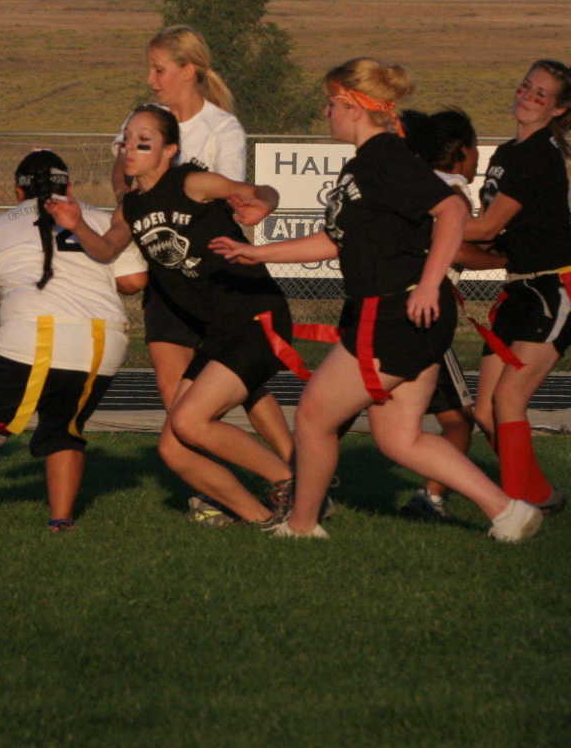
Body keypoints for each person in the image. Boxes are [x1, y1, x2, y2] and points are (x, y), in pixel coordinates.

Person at [211, 58, 542, 542]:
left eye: (330, 103)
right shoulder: (365, 163)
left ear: (352, 106)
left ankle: (301, 525)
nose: (325, 112)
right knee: (399, 438)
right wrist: (256, 252)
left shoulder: (385, 156)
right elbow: (335, 240)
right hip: (403, 314)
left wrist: (428, 284)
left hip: (395, 313)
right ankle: (509, 512)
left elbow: (451, 210)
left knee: (313, 416)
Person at [59, 105, 296, 527]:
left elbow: (263, 190)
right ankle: (265, 519)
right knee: (173, 447)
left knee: (190, 420)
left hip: (256, 317)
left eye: (143, 142)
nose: (130, 150)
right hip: (220, 332)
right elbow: (107, 249)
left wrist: (263, 205)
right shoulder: (131, 206)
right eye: (126, 142)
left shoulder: (191, 182)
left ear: (168, 150)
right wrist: (77, 225)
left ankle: (294, 483)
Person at [0, 150, 147, 530]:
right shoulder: (99, 218)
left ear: (18, 192)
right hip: (101, 341)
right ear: (68, 188)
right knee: (65, 430)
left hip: (31, 337)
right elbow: (134, 281)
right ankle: (61, 521)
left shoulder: (0, 226)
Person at [110, 26, 296, 475]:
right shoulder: (144, 119)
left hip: (211, 277)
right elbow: (121, 177)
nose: (151, 80)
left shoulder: (221, 126)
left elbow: (230, 195)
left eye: (159, 70)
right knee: (177, 398)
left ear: (188, 70)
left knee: (241, 385)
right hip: (166, 278)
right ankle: (209, 488)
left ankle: (298, 470)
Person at [462, 59, 571, 515]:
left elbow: (487, 225)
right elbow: (491, 236)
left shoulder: (539, 154)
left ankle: (516, 506)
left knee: (508, 398)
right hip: (519, 289)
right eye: (526, 86)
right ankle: (538, 496)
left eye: (541, 94)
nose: (527, 96)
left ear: (558, 109)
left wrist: (422, 219)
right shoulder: (508, 152)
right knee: (485, 410)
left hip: (555, 287)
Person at [398, 109, 485, 520]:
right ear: (463, 151)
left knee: (340, 410)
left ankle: (301, 476)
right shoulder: (452, 191)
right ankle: (431, 498)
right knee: (459, 420)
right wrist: (505, 257)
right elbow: (457, 249)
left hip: (388, 301)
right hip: (423, 311)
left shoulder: (415, 182)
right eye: (476, 148)